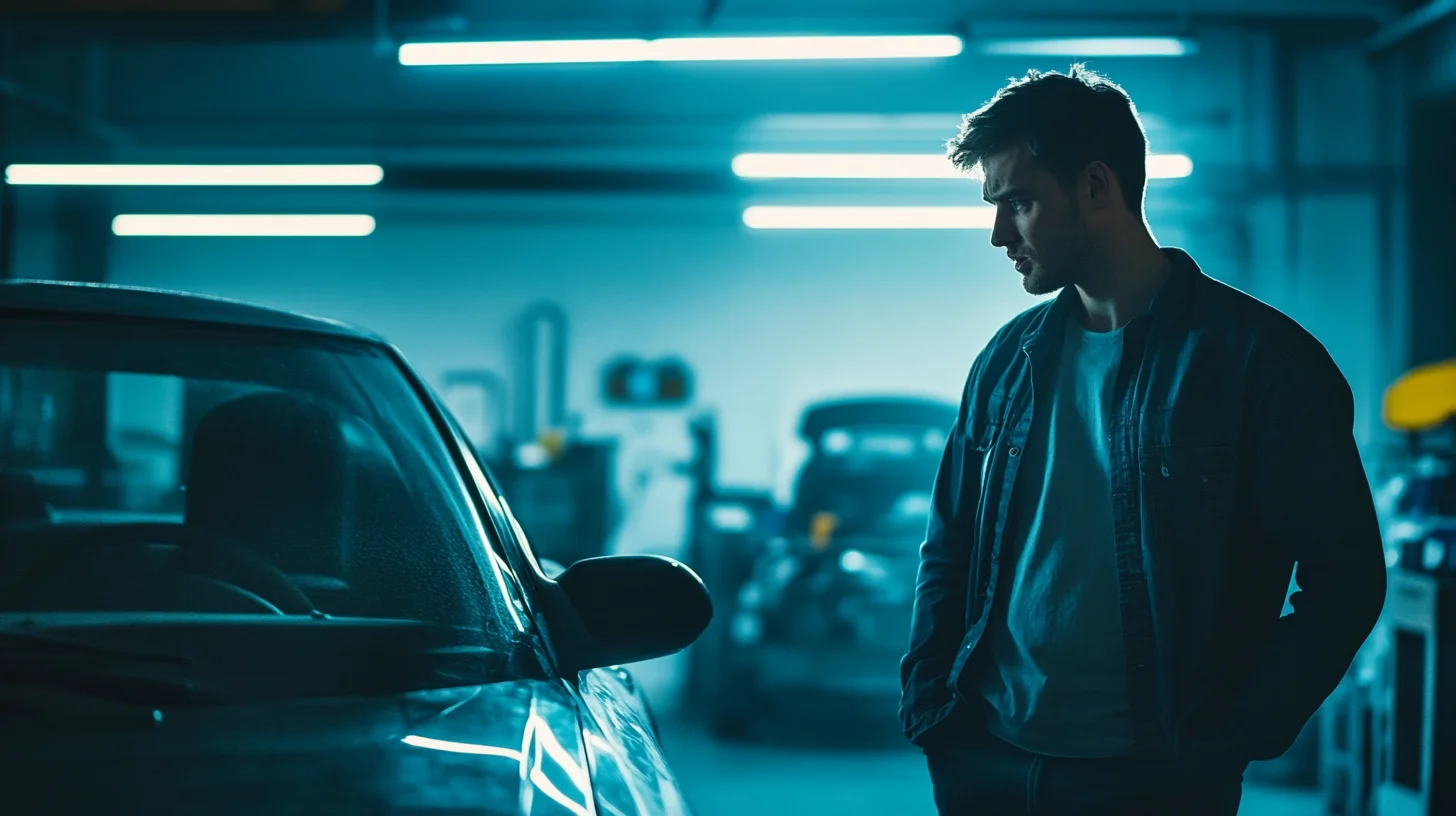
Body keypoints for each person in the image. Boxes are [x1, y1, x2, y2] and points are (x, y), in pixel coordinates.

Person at [898, 64, 1388, 815]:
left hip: (1154, 776)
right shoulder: (1006, 360)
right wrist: (933, 703)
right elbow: (951, 542)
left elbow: (1346, 580)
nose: (999, 234)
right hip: (985, 755)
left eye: (1019, 203)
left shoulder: (1262, 362)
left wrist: (1234, 736)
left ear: (1096, 186)